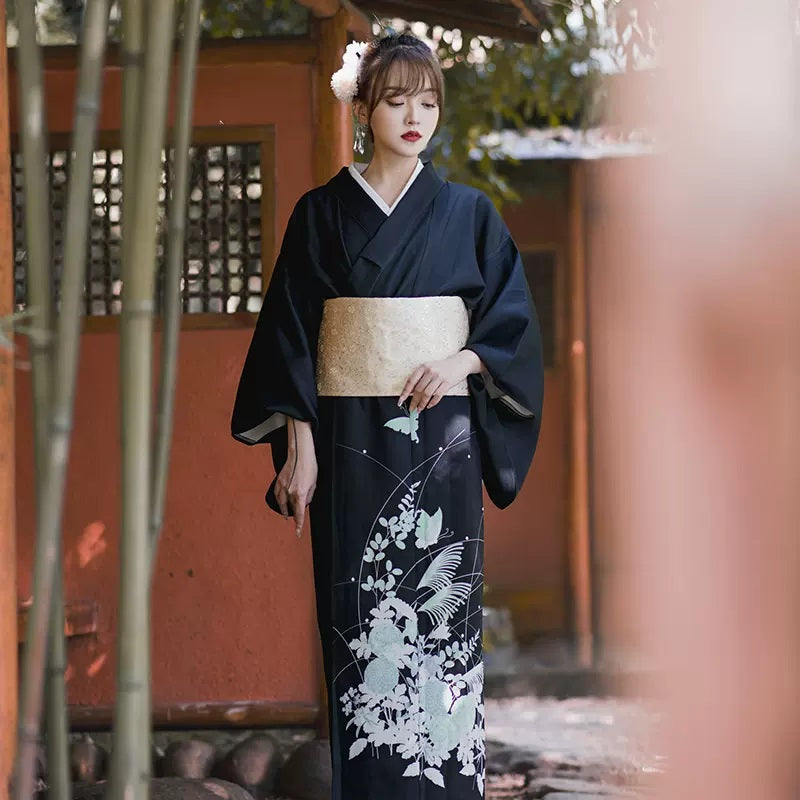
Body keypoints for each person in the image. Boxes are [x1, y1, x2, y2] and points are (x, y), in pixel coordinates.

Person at [231, 31, 544, 800]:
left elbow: (510, 330)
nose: (415, 116)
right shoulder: (320, 215)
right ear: (363, 109)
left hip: (442, 442)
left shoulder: (469, 214)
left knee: (441, 625)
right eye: (398, 100)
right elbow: (291, 338)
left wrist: (460, 362)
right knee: (360, 619)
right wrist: (298, 449)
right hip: (349, 444)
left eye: (429, 101)